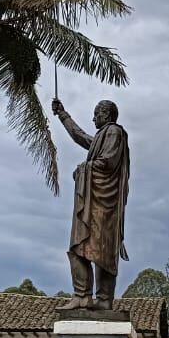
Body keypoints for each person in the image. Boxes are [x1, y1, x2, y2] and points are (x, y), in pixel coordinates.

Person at [51, 98, 130, 312]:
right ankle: (82, 296)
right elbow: (82, 137)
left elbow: (107, 162)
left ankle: (103, 299)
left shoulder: (114, 132)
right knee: (79, 248)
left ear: (107, 115)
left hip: (104, 204)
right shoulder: (102, 135)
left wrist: (83, 168)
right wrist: (63, 115)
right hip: (92, 199)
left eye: (96, 114)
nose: (93, 118)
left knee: (103, 251)